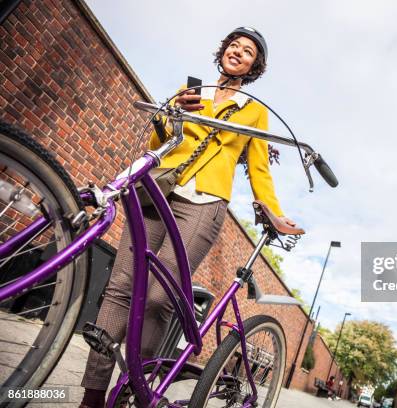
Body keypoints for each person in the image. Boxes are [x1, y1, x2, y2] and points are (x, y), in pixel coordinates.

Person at [79, 27, 295, 408]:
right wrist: (169, 116)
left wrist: (273, 213)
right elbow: (158, 143)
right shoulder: (191, 89)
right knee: (121, 287)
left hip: (204, 202)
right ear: (223, 52)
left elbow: (259, 167)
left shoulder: (255, 111)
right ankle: (93, 394)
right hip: (157, 190)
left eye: (248, 52)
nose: (238, 52)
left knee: (161, 299)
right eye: (234, 46)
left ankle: (136, 388)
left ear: (254, 66)